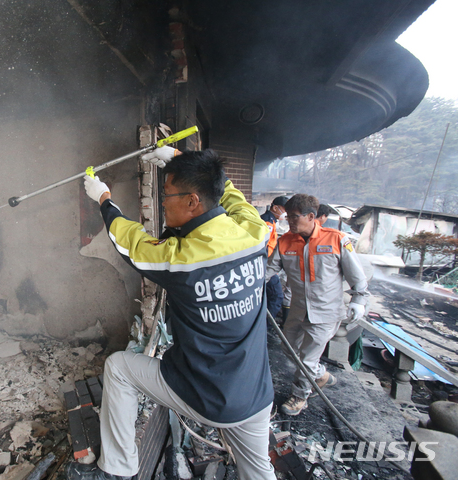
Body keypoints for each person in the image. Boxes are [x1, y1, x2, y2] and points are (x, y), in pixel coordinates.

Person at [68, 146, 276, 480]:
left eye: (167, 195)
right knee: (259, 473)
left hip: (206, 396)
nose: (162, 202)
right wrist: (180, 156)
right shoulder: (254, 232)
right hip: (256, 393)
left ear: (193, 201)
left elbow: (131, 243)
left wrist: (103, 198)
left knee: (118, 367)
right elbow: (231, 195)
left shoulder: (183, 259)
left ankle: (118, 467)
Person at [267, 194, 368, 416]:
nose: (289, 222)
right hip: (298, 309)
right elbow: (268, 271)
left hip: (326, 312)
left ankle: (300, 396)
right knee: (288, 348)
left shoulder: (337, 240)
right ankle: (321, 376)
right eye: (287, 217)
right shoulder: (285, 242)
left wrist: (359, 300)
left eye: (294, 217)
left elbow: (357, 277)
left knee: (307, 358)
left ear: (311, 216)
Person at [260, 196, 289, 321]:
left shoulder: (271, 221)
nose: (285, 214)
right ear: (275, 207)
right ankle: (268, 327)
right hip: (265, 265)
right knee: (276, 297)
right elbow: (264, 245)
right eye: (284, 209)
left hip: (267, 265)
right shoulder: (267, 222)